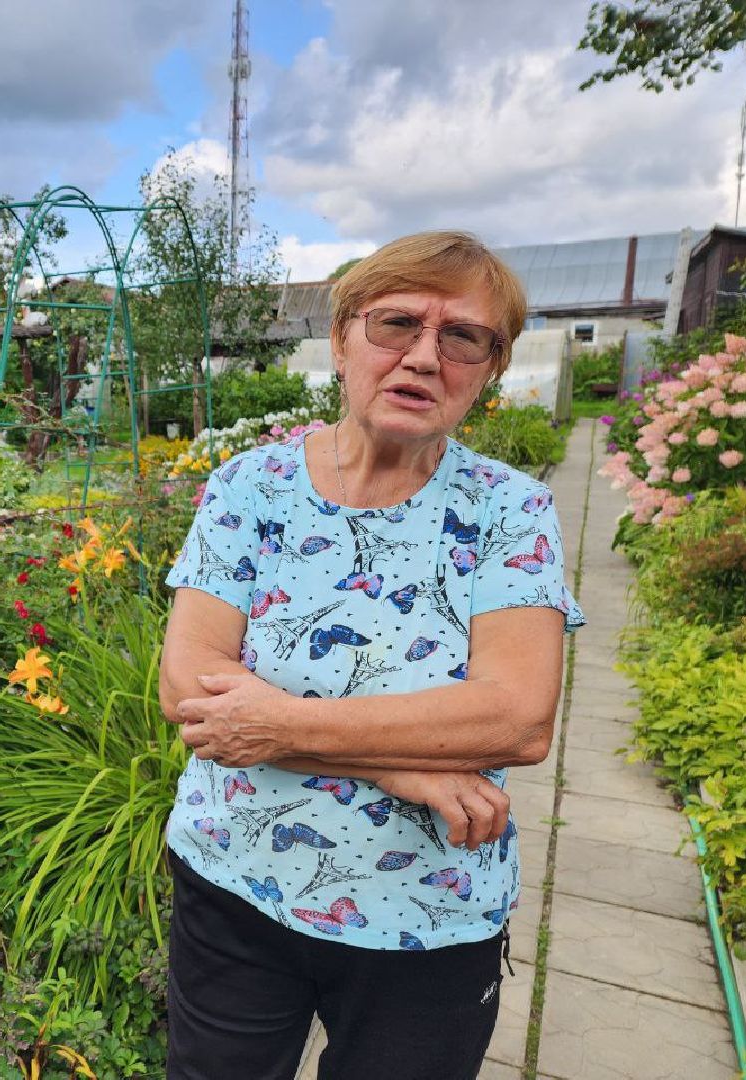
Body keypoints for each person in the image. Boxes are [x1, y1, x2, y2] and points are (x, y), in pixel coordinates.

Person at [158, 231, 583, 1080]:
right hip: (234, 879)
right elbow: (190, 687)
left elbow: (517, 717)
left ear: (490, 370)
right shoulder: (252, 485)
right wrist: (407, 768)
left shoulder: (510, 511)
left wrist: (278, 724)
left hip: (425, 914)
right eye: (397, 324)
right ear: (344, 337)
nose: (424, 358)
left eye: (462, 336)